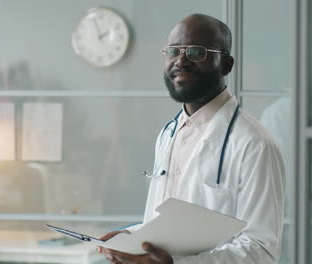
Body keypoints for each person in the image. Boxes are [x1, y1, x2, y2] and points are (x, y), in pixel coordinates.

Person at [98, 13, 286, 264]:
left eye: (196, 52)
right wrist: (131, 238)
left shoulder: (255, 144)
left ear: (227, 65)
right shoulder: (168, 134)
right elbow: (164, 226)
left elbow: (261, 251)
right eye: (173, 51)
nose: (180, 61)